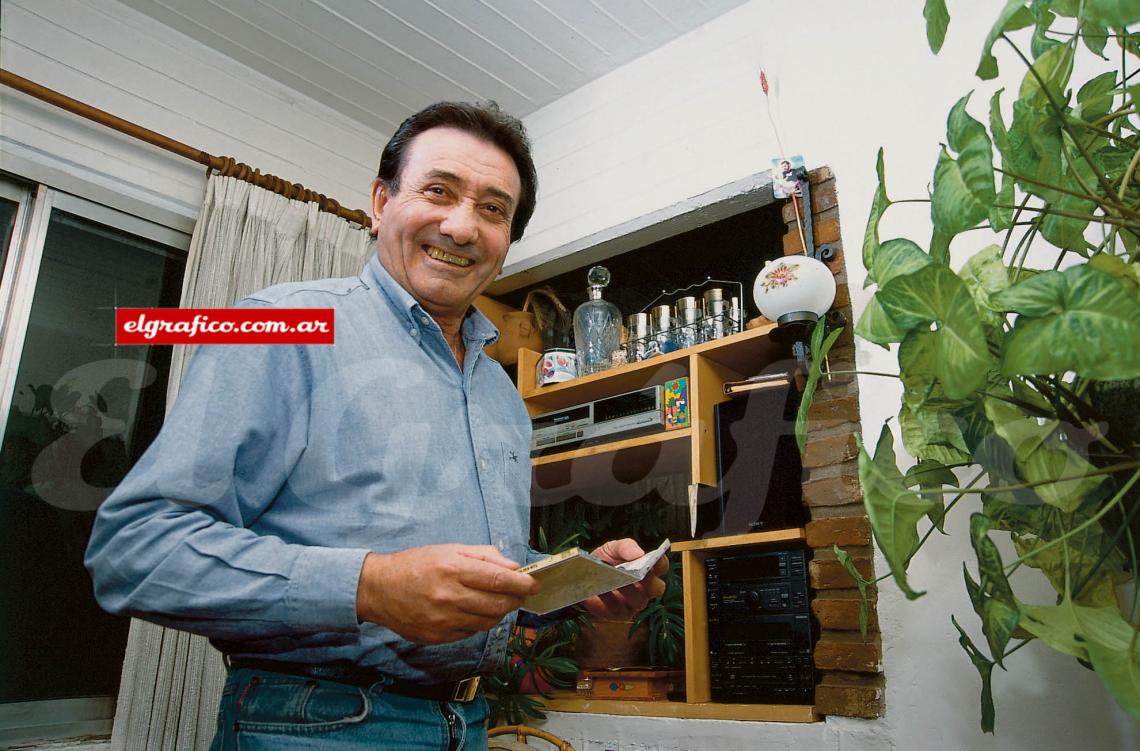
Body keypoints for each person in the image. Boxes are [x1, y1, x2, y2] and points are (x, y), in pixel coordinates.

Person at [85, 101, 666, 751]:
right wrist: (366, 587)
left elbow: (462, 576)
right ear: (380, 201)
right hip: (314, 726)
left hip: (466, 726)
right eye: (438, 191)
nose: (462, 224)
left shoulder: (502, 393)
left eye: (493, 209)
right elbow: (131, 551)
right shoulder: (279, 323)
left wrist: (569, 579)